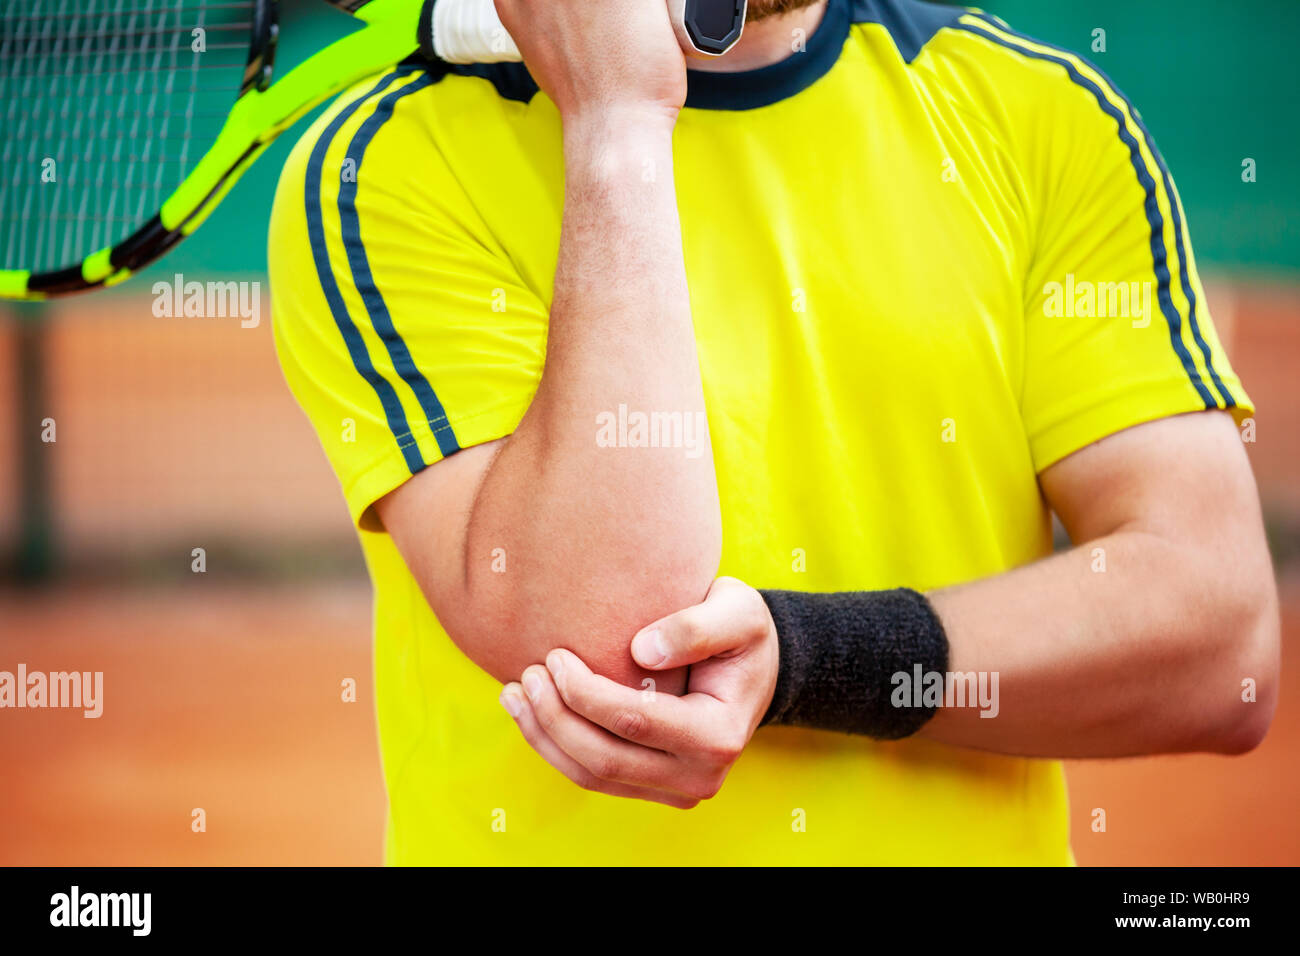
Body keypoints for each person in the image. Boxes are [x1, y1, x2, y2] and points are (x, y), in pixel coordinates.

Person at [269, 0, 1278, 864]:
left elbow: (1219, 641)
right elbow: (613, 649)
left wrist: (810, 659)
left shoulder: (1041, 113)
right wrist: (616, 127)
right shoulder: (384, 164)